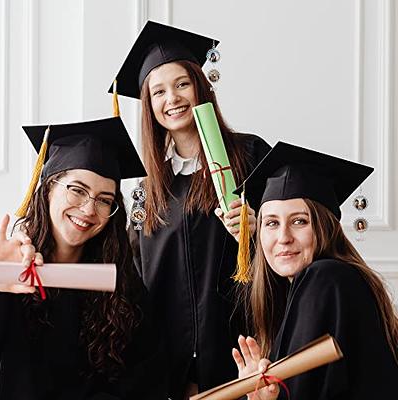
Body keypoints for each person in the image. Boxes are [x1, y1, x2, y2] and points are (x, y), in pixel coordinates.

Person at [110, 21, 271, 399]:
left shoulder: (248, 156)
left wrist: (257, 230)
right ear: (149, 106)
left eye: (182, 84)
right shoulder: (146, 189)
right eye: (158, 92)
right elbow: (136, 278)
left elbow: (291, 242)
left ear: (201, 86)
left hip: (241, 348)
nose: (172, 99)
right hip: (169, 363)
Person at [0, 117, 167, 399]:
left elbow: (148, 381)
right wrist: (0, 281)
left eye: (104, 200)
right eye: (77, 190)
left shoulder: (123, 287)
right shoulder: (14, 271)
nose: (89, 209)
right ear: (49, 188)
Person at [232, 142, 398, 399]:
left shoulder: (326, 278)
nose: (283, 237)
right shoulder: (338, 281)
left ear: (325, 226)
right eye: (272, 223)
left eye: (299, 221)